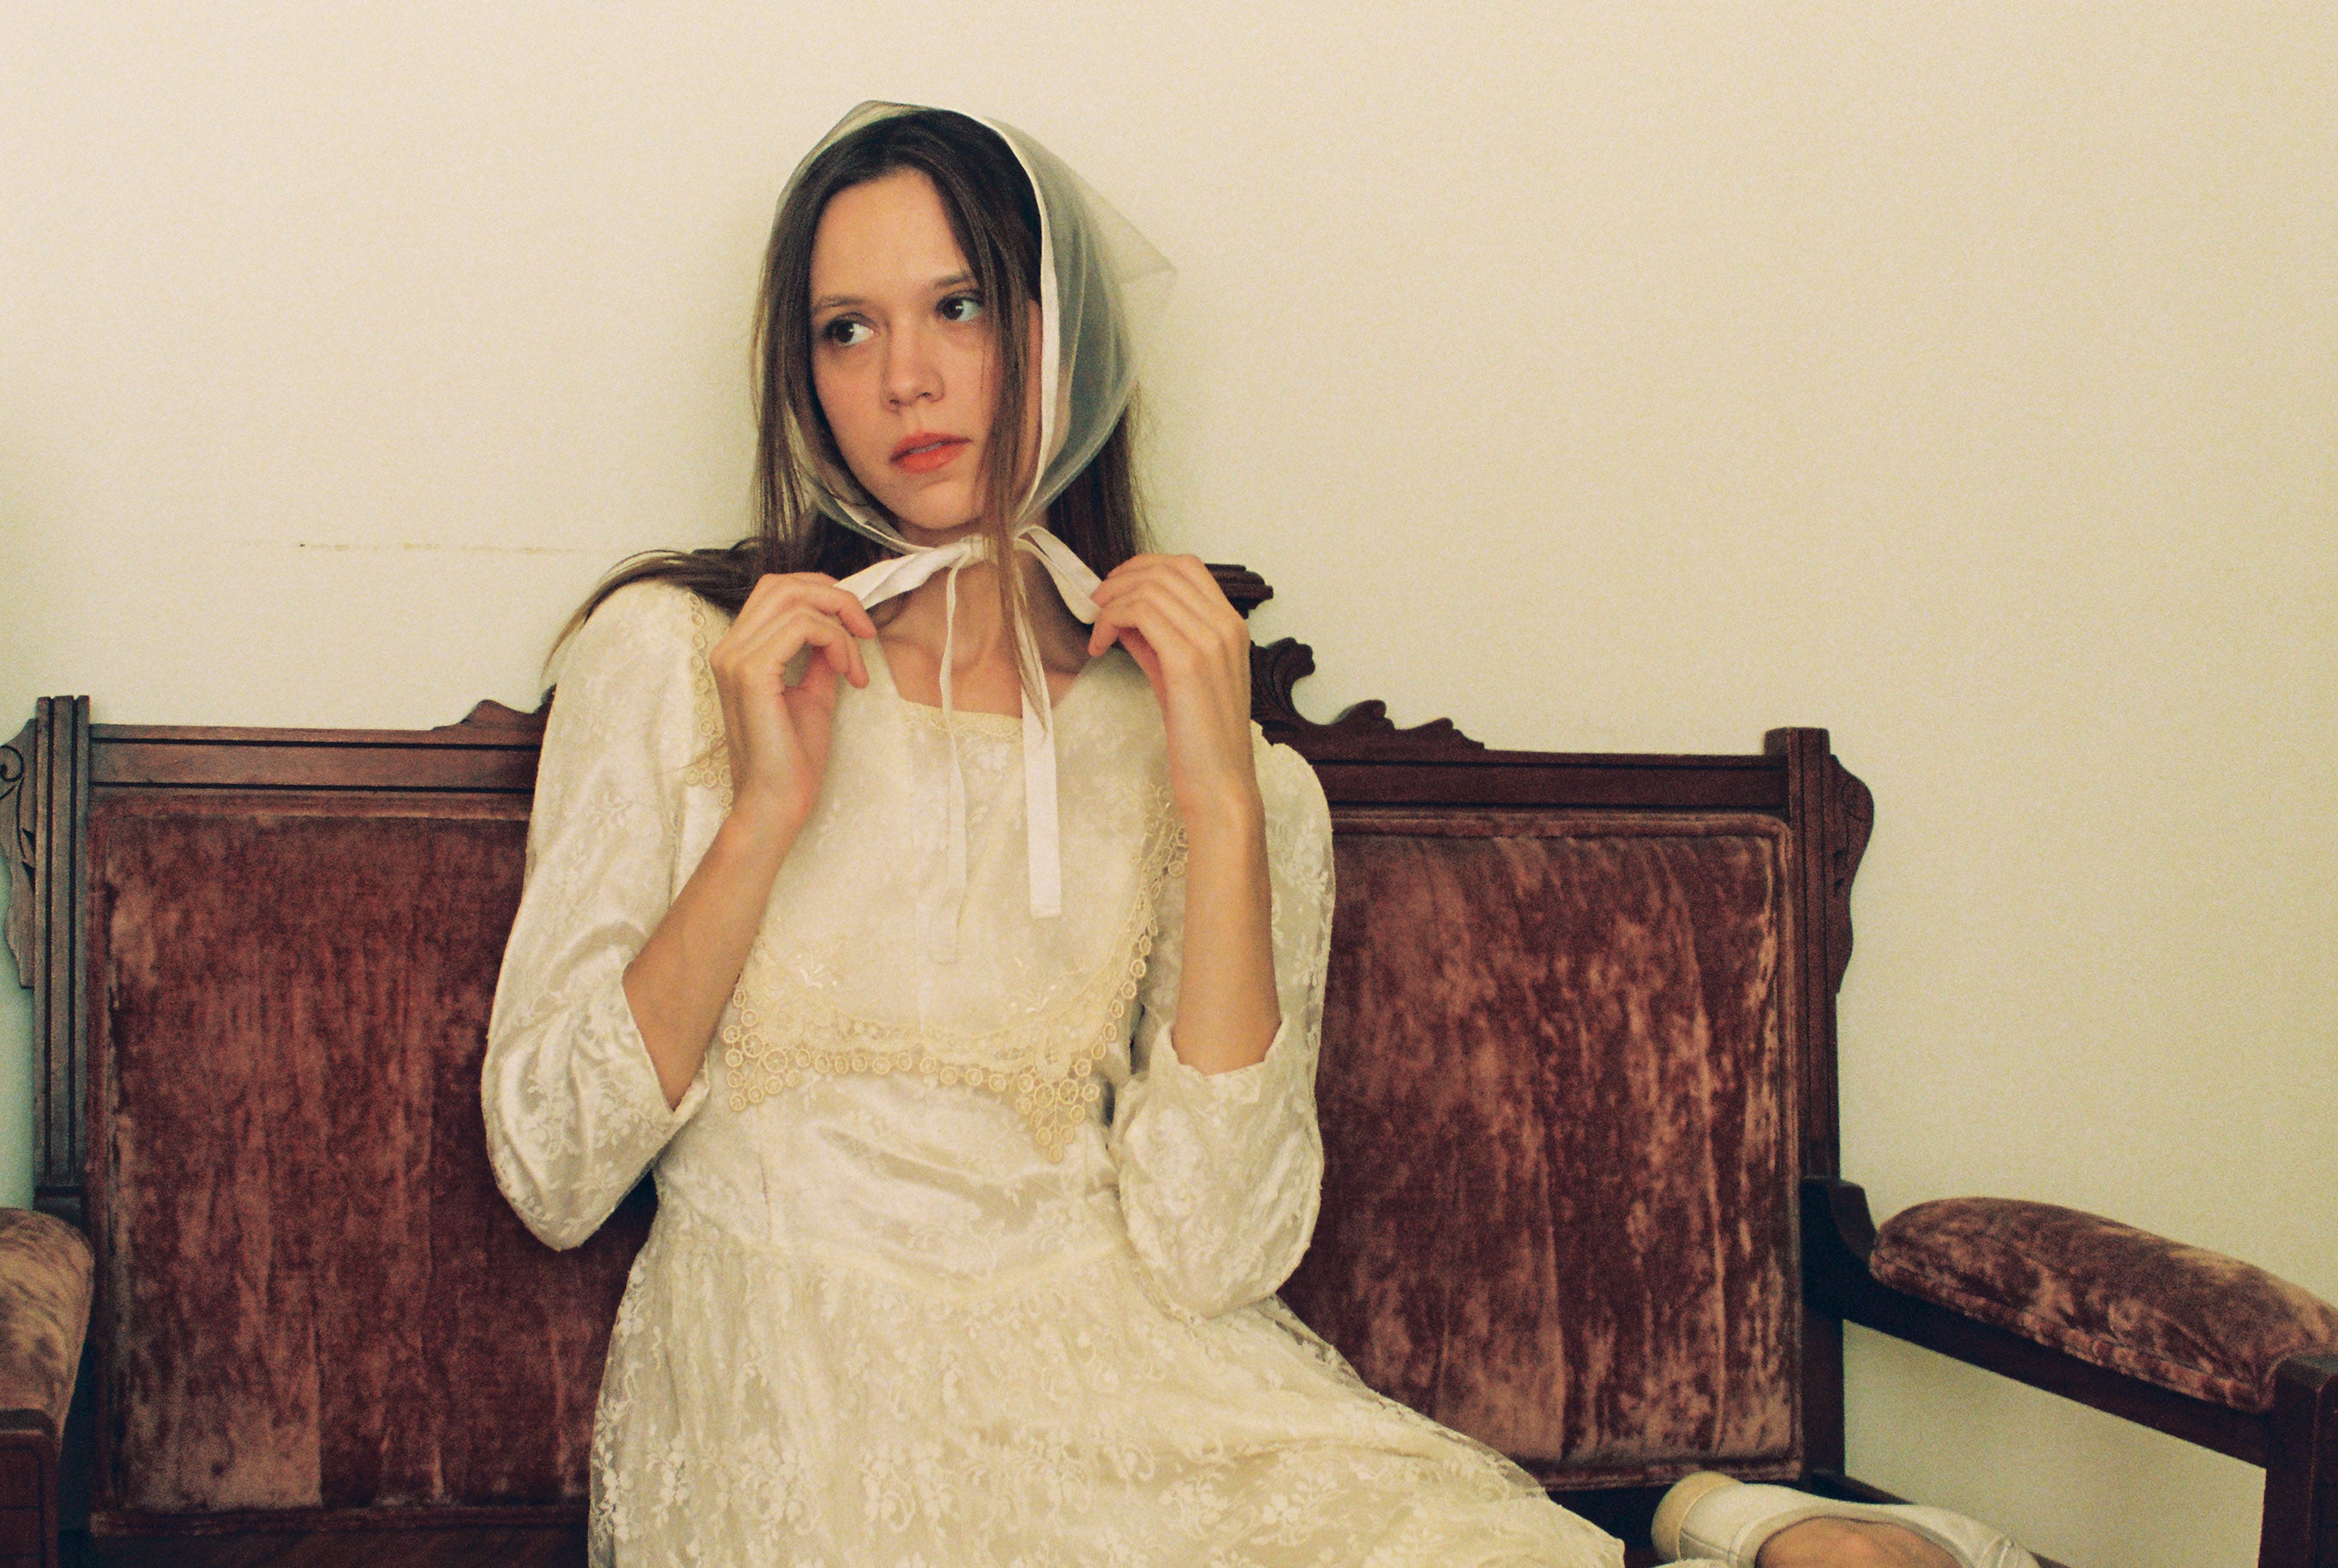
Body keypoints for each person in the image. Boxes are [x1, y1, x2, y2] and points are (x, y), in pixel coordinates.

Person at [481, 101, 2041, 1568]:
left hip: (1134, 1385)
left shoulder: (1198, 750)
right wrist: (765, 813)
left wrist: (1223, 797)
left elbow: (1216, 1249)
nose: (907, 379)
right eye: (849, 327)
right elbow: (551, 1163)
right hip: (796, 1406)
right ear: (801, 374)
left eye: (959, 309)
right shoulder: (685, 659)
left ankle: (1708, 1522)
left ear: (1056, 338)